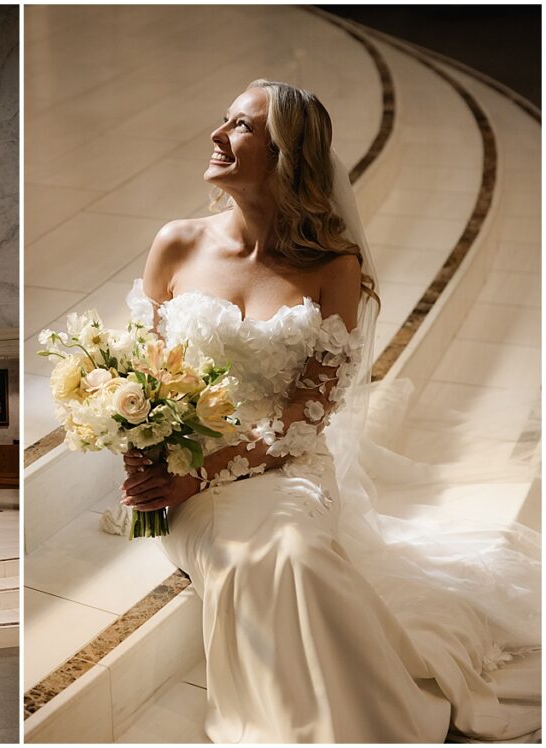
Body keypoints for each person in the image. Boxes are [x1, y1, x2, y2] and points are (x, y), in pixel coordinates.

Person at [119, 80, 540, 742]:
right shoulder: (176, 243)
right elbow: (135, 380)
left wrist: (207, 470)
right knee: (263, 556)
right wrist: (146, 454)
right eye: (222, 119)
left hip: (287, 463)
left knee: (297, 550)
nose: (217, 135)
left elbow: (306, 415)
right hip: (184, 472)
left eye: (242, 127)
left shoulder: (331, 267)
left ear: (287, 155)